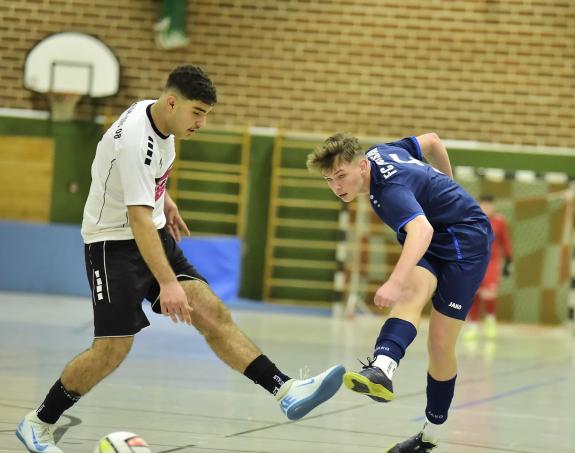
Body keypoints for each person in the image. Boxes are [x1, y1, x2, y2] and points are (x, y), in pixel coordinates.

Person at [16, 65, 345, 453]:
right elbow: (136, 218)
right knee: (112, 350)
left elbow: (139, 186)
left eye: (206, 113)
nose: (202, 122)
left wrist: (163, 198)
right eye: (198, 112)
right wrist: (168, 283)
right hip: (113, 245)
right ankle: (38, 422)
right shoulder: (136, 141)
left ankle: (285, 388)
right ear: (172, 102)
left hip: (150, 230)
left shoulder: (161, 120)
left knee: (211, 311)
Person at [307, 132, 492, 452]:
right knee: (411, 296)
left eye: (341, 176)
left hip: (466, 241)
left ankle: (430, 436)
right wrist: (447, 183)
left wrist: (393, 280)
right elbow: (433, 140)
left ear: (362, 166)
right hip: (433, 234)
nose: (337, 187)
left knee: (439, 345)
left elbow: (422, 230)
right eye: (329, 180)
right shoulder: (381, 152)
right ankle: (382, 369)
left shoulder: (387, 191)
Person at [464, 194, 513, 340]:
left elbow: (505, 241)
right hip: (474, 261)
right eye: (483, 205)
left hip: (491, 263)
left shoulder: (499, 221)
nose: (487, 208)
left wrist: (509, 260)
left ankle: (490, 319)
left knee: (488, 293)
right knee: (473, 293)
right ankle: (472, 325)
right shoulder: (472, 219)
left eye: (489, 205)